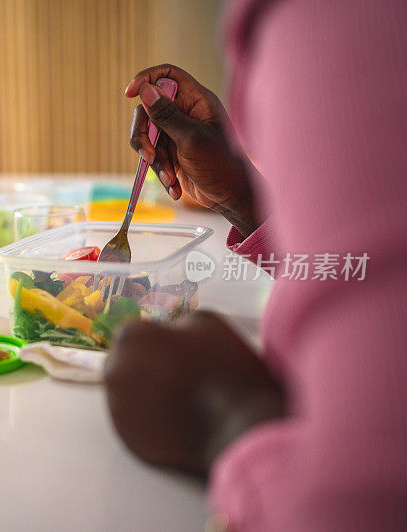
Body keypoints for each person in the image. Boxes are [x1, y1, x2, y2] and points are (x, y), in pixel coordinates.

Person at [105, 1, 407, 530]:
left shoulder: (331, 20)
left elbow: (367, 502)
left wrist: (227, 417)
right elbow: (362, 273)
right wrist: (245, 201)